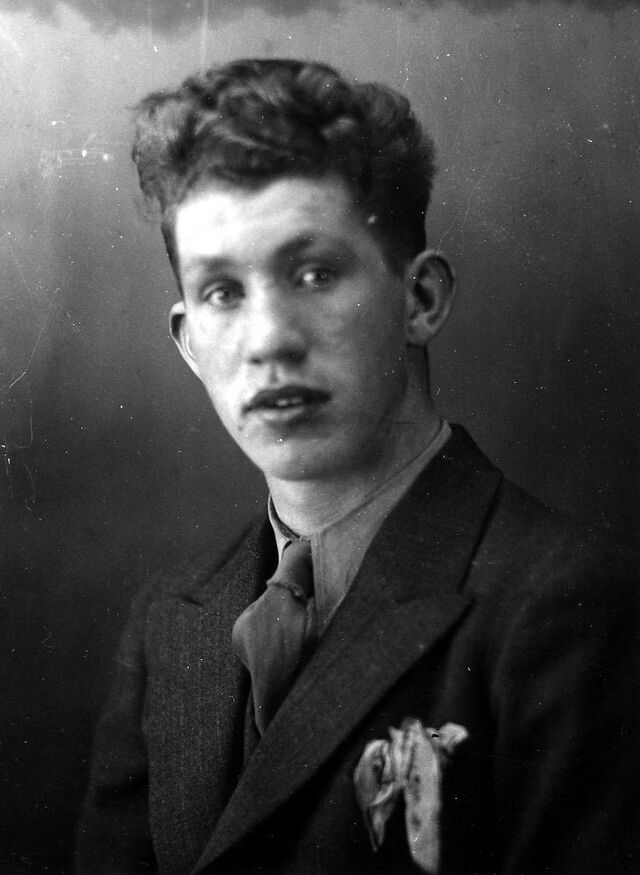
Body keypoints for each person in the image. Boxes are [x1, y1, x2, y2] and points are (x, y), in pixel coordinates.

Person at [75, 58, 638, 874]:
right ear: (190, 343)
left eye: (314, 274)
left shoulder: (568, 607)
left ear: (421, 299)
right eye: (223, 292)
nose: (268, 339)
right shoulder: (171, 620)